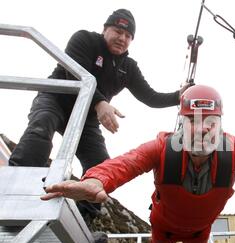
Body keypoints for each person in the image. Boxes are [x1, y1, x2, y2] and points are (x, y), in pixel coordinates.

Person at [41, 85, 235, 243]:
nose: (204, 127)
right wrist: (96, 179)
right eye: (194, 120)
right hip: (163, 224)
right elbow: (126, 162)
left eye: (211, 121)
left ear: (220, 125)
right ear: (182, 125)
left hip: (200, 230)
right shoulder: (163, 147)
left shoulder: (233, 150)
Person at [8, 9, 189, 224]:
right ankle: (14, 196)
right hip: (56, 98)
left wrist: (180, 96)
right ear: (105, 29)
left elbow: (149, 97)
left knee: (100, 164)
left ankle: (83, 221)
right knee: (40, 127)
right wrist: (100, 103)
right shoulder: (84, 39)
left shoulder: (128, 68)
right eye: (117, 31)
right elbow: (75, 72)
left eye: (128, 36)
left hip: (86, 119)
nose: (122, 38)